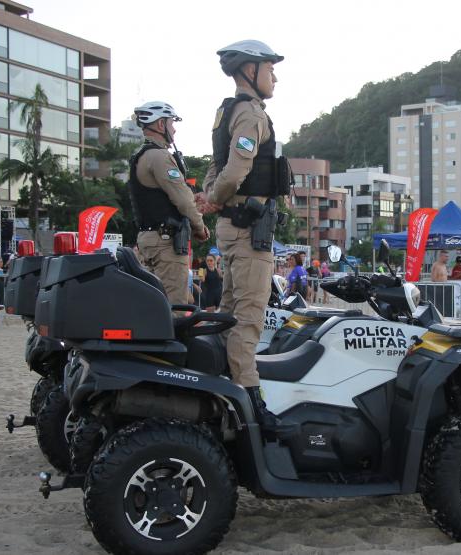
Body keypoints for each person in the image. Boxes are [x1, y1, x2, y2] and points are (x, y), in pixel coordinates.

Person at [197, 40, 287, 432]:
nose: (275, 77)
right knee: (248, 318)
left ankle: (219, 391)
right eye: (270, 69)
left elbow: (216, 167)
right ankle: (249, 405)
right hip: (249, 229)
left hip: (234, 226)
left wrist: (210, 197)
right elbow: (233, 172)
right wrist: (216, 197)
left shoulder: (226, 112)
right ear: (250, 70)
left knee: (230, 310)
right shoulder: (250, 113)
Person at [129, 100, 208, 306]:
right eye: (172, 123)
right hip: (165, 244)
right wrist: (200, 227)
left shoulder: (141, 155)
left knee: (151, 307)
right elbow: (182, 200)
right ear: (161, 124)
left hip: (148, 240)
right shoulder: (160, 156)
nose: (174, 129)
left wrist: (192, 199)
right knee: (174, 308)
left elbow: (161, 198)